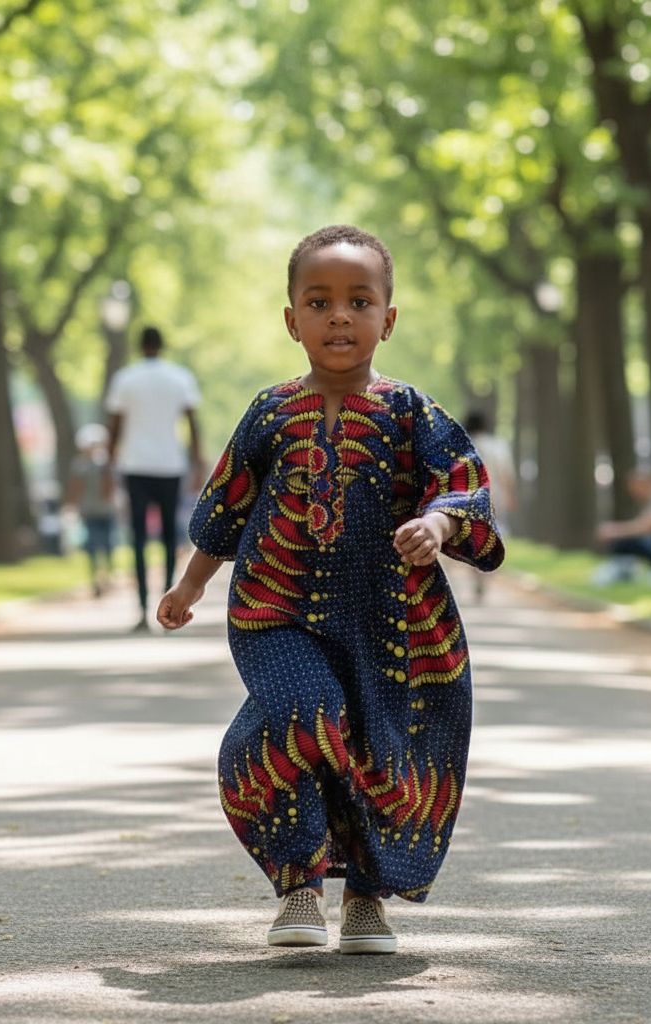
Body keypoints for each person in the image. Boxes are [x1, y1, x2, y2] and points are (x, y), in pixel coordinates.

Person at [157, 225, 504, 955]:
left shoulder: (413, 413)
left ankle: (367, 900)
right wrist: (189, 586)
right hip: (274, 611)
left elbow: (461, 485)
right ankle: (299, 886)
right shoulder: (270, 411)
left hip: (390, 620)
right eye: (319, 302)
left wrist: (438, 526)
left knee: (378, 750)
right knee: (304, 714)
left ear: (388, 317)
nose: (339, 316)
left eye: (359, 300)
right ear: (292, 321)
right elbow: (228, 503)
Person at [106, 325, 204, 632]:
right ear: (162, 346)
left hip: (135, 464)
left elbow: (115, 426)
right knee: (168, 537)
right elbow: (192, 423)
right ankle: (170, 604)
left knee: (137, 538)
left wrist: (109, 465)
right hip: (169, 464)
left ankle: (142, 607)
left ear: (140, 345)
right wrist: (197, 462)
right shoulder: (180, 377)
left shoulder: (126, 379)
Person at [593, 469, 651, 586]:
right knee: (627, 541)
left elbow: (645, 527)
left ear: (646, 484)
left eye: (635, 486)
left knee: (627, 541)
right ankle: (624, 570)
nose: (632, 491)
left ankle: (623, 571)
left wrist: (613, 531)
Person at [464, 410, 517, 600]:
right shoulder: (498, 446)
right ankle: (486, 573)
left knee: (471, 537)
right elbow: (506, 474)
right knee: (493, 535)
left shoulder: (463, 444)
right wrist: (510, 496)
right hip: (495, 497)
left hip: (468, 497)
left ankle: (476, 575)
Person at [65, 423, 116, 597]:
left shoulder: (104, 463)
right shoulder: (81, 465)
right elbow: (75, 488)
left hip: (105, 510)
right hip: (90, 511)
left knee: (107, 545)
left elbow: (111, 487)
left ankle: (107, 576)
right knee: (93, 546)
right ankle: (97, 579)